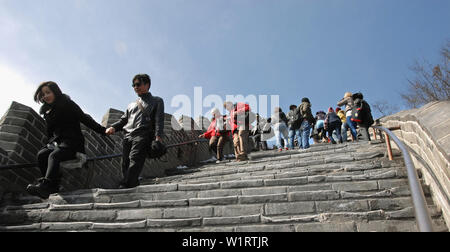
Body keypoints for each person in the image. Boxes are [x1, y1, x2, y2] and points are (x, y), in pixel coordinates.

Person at [26, 81, 106, 199]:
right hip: (59, 143)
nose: (45, 96)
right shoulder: (47, 112)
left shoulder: (67, 103)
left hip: (73, 142)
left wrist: (103, 130)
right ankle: (52, 186)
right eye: (43, 95)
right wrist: (48, 143)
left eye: (48, 92)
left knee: (54, 156)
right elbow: (49, 132)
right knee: (42, 155)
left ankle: (46, 185)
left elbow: (84, 118)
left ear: (55, 91)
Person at [106, 74, 164, 188]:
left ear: (147, 85)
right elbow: (123, 120)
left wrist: (158, 137)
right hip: (127, 135)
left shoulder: (157, 101)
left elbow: (159, 120)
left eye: (138, 84)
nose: (135, 87)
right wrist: (113, 127)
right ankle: (132, 182)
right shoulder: (131, 105)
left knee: (135, 158)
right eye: (133, 85)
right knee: (125, 162)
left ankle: (126, 183)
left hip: (143, 134)